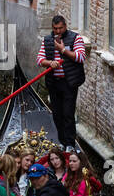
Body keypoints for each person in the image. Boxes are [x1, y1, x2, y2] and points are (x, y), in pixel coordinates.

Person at [36, 14, 86, 150]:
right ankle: (62, 142)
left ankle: (70, 144)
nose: (58, 31)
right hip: (53, 83)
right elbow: (40, 59)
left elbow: (81, 57)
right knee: (57, 114)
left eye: (60, 28)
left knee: (68, 114)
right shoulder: (47, 40)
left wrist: (63, 50)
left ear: (65, 26)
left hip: (69, 83)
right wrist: (50, 62)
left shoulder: (76, 38)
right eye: (55, 28)